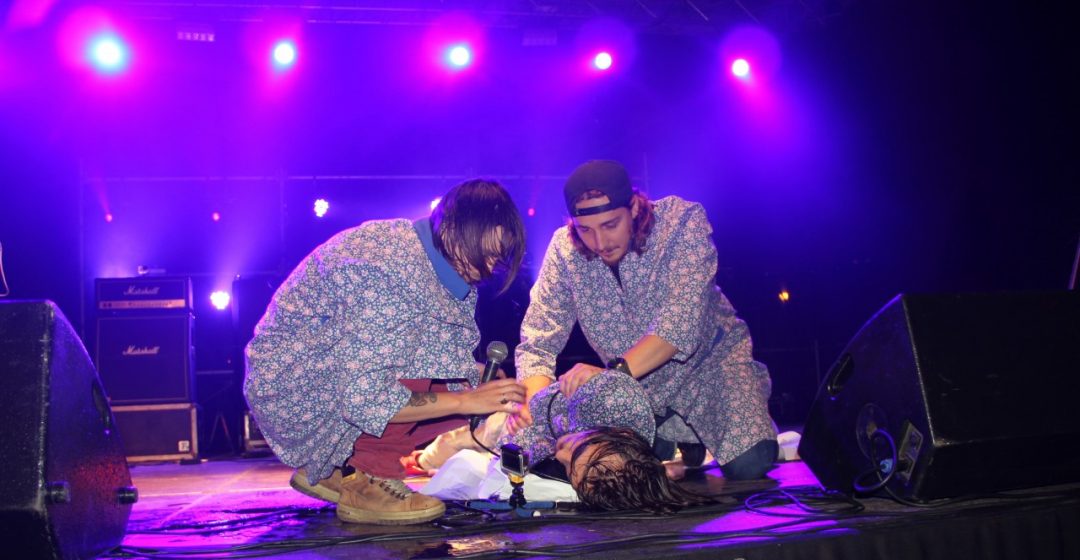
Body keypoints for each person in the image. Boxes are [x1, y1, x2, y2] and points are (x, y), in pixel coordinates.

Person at [244, 179, 528, 525]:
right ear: (452, 228)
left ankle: (335, 468)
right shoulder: (391, 270)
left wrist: (473, 384)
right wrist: (466, 400)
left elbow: (426, 352)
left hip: (321, 379)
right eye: (483, 252)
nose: (489, 268)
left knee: (470, 388)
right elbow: (364, 397)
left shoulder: (430, 260)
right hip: (292, 389)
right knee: (461, 396)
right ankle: (368, 477)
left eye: (497, 257)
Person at [513, 159, 778, 481]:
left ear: (635, 208)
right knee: (612, 469)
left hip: (710, 367)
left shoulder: (682, 222)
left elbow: (679, 323)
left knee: (751, 464)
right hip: (634, 390)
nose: (600, 243)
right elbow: (538, 339)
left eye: (610, 225)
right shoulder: (563, 250)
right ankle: (669, 440)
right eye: (585, 230)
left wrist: (611, 376)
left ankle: (704, 433)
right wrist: (534, 406)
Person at [415, 369, 709, 513]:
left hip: (531, 432)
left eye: (570, 469)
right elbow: (527, 420)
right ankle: (423, 458)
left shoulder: (593, 460)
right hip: (525, 409)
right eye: (576, 451)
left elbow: (512, 461)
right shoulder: (614, 401)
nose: (561, 456)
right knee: (467, 440)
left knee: (478, 463)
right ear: (621, 434)